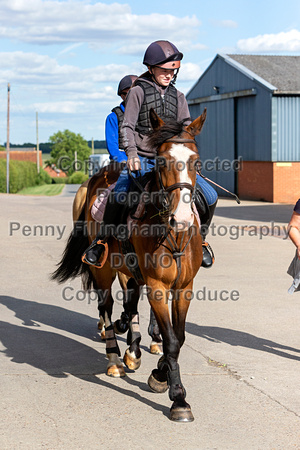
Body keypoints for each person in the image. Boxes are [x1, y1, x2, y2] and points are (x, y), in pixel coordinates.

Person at [84, 40, 218, 267]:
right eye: (164, 71)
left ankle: (201, 240)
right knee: (120, 192)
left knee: (211, 195)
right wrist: (132, 155)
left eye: (172, 71)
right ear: (150, 68)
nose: (169, 75)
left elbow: (186, 127)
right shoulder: (137, 92)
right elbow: (126, 126)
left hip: (171, 159)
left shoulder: (179, 96)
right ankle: (101, 241)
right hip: (144, 158)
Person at [105, 75, 137, 163]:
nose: (130, 97)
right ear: (122, 96)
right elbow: (112, 146)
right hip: (123, 159)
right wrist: (122, 160)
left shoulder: (149, 115)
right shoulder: (113, 117)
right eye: (126, 94)